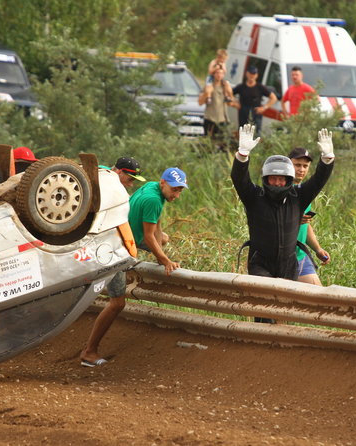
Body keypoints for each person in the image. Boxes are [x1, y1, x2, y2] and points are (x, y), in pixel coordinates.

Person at [79, 167, 188, 367]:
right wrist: (165, 261)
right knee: (117, 303)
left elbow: (156, 226)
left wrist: (161, 253)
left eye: (180, 190)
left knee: (163, 238)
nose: (177, 195)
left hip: (125, 237)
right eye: (174, 189)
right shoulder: (153, 200)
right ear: (163, 183)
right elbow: (147, 235)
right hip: (117, 248)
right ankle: (89, 352)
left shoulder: (152, 188)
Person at [231, 124, 334, 283]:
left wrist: (327, 160)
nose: (277, 183)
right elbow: (239, 179)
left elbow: (318, 180)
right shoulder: (254, 196)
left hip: (289, 265)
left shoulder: (298, 197)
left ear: (288, 180)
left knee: (287, 305)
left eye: (281, 179)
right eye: (273, 178)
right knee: (266, 300)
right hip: (260, 264)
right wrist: (242, 156)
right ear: (266, 179)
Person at [289, 147, 331, 285]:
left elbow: (305, 226)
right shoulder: (278, 189)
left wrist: (318, 249)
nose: (301, 169)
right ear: (288, 164)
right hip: (281, 258)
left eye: (305, 166)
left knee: (317, 297)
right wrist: (293, 219)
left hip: (300, 255)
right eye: (297, 165)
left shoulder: (304, 191)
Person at [230, 65, 277, 135]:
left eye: (254, 74)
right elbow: (228, 93)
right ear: (247, 74)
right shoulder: (241, 86)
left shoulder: (260, 87)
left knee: (256, 135)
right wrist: (234, 103)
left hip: (256, 113)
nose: (252, 76)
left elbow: (273, 98)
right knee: (243, 134)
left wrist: (264, 107)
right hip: (243, 112)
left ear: (256, 75)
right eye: (250, 74)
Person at [199, 64, 234, 139]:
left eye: (221, 73)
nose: (219, 75)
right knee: (208, 142)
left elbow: (230, 103)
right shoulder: (208, 86)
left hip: (221, 120)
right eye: (217, 73)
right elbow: (200, 103)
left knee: (220, 143)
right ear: (214, 74)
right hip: (210, 119)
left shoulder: (225, 87)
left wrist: (230, 93)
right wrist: (206, 93)